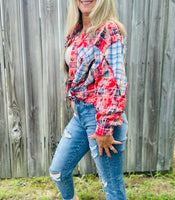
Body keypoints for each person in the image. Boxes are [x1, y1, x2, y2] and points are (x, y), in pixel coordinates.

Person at [49, 0, 128, 199]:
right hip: (81, 116)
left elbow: (113, 81)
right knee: (58, 171)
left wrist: (104, 127)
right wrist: (75, 99)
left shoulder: (108, 30)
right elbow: (75, 74)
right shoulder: (76, 31)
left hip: (102, 118)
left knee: (112, 188)